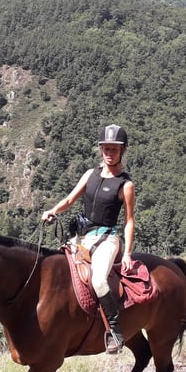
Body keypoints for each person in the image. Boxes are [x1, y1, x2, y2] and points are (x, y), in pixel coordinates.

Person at [42, 124, 136, 354]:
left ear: (122, 151)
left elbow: (129, 221)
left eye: (114, 149)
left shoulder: (126, 185)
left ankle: (115, 331)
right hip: (82, 238)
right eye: (106, 148)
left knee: (99, 281)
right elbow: (70, 199)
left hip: (107, 239)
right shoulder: (90, 175)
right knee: (56, 269)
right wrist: (53, 210)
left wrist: (127, 253)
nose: (109, 153)